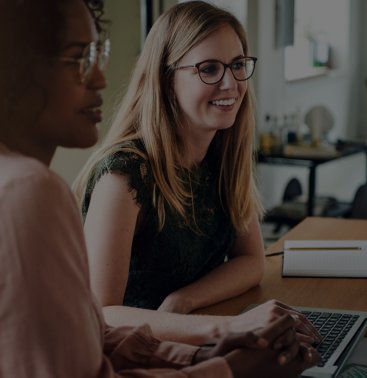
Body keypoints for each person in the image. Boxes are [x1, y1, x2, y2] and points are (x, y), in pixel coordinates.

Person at [0, 0, 320, 376]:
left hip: (163, 348)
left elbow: (252, 259)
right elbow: (102, 317)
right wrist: (224, 342)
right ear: (165, 79)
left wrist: (189, 311)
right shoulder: (110, 175)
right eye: (209, 69)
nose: (231, 83)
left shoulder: (225, 151)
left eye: (237, 65)